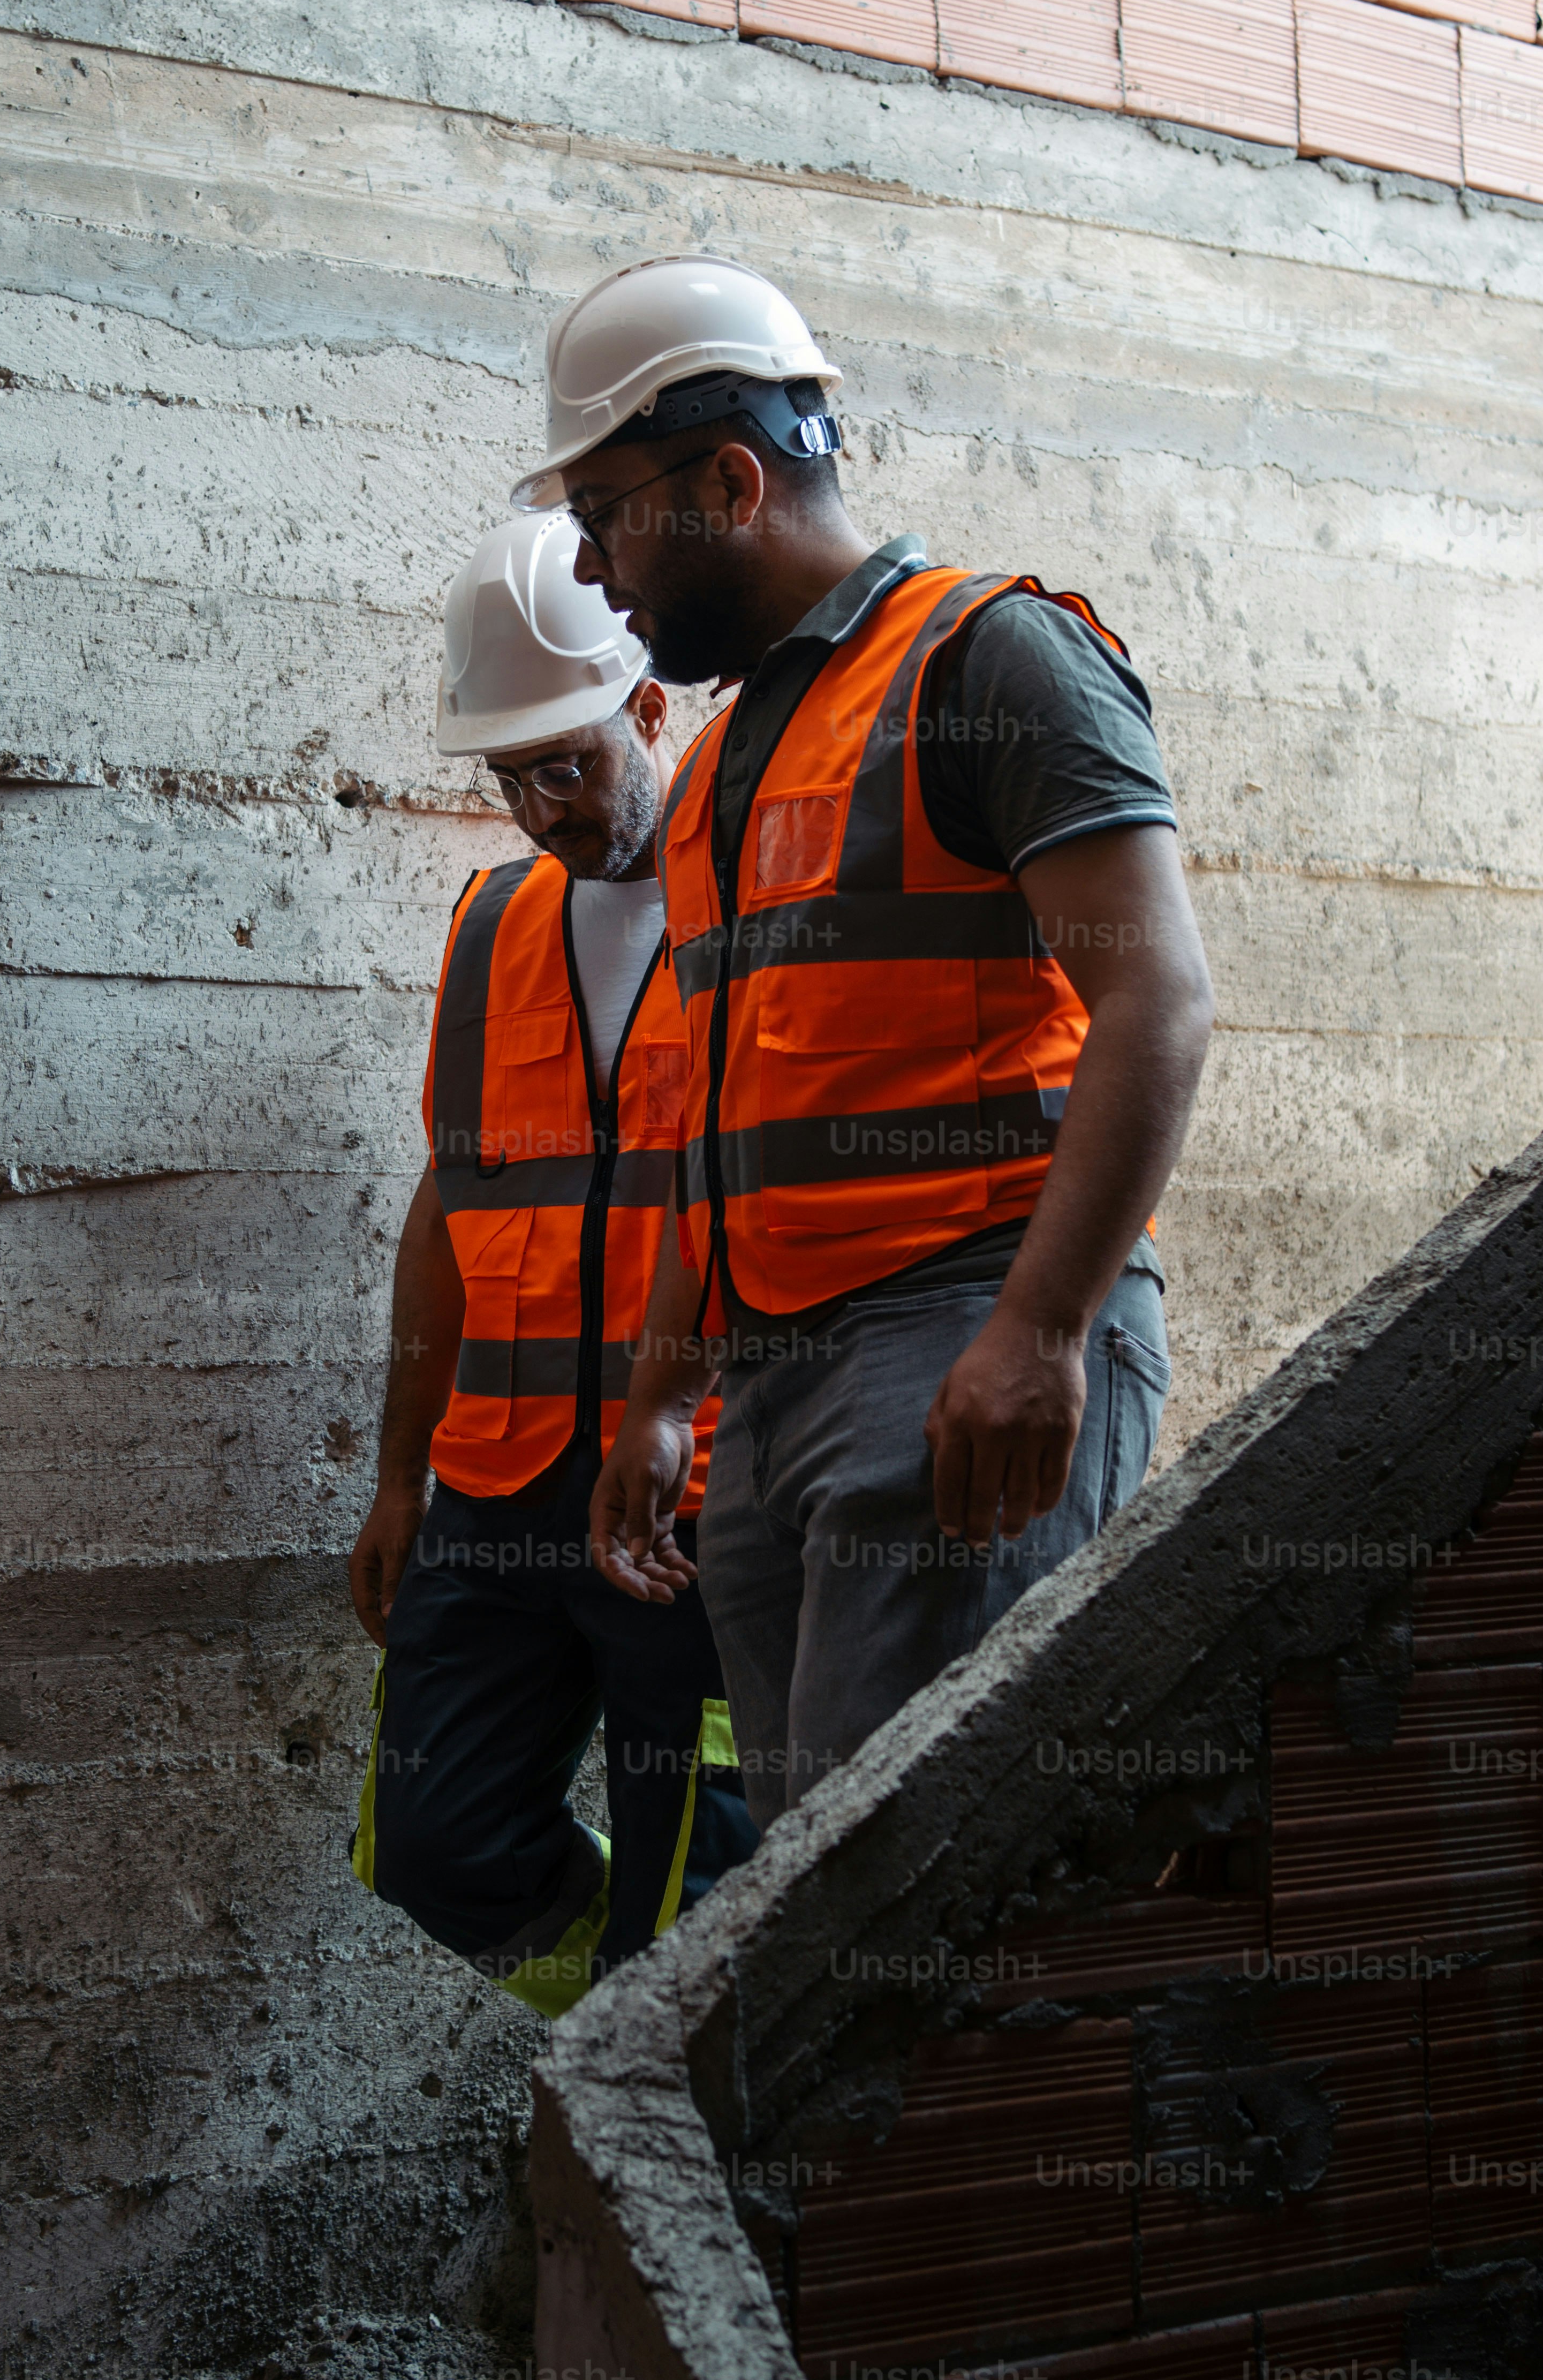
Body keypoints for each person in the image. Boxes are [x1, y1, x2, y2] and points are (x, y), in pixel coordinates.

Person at [512, 255, 1216, 1833]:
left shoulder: (992, 659)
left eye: (608, 512)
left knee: (899, 1884)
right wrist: (666, 1396)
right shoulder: (714, 778)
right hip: (772, 1389)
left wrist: (1043, 1331)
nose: (594, 564)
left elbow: (1158, 1004)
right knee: (796, 1891)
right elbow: (719, 1111)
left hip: (966, 1335)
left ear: (731, 480)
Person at [347, 508, 752, 2014]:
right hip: (502, 1487)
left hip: (687, 1507)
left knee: (696, 1895)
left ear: (647, 704)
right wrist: (401, 1474)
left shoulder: (754, 897)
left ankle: (665, 2076)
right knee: (428, 1843)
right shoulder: (495, 917)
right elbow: (453, 1204)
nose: (536, 805)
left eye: (565, 762)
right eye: (509, 772)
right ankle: (631, 2043)